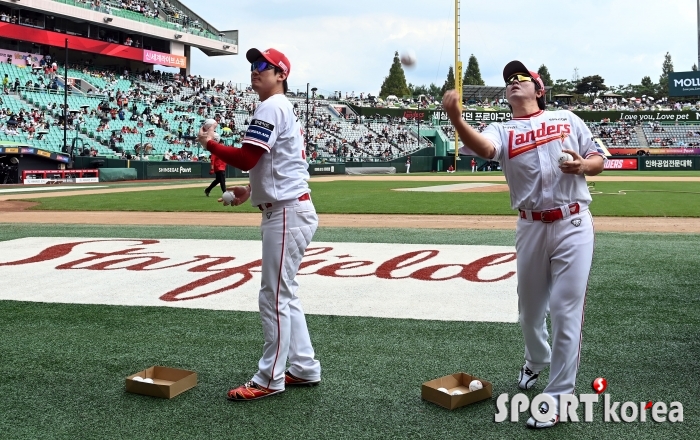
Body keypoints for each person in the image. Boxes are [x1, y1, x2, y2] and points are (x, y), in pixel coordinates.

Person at [442, 60, 605, 429]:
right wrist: (457, 119)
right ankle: (536, 358)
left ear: (539, 89)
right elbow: (484, 149)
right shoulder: (502, 127)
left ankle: (558, 398)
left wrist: (585, 166)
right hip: (531, 227)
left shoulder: (567, 118)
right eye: (509, 81)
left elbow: (598, 158)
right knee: (529, 312)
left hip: (573, 222)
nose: (514, 82)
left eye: (522, 78)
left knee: (565, 311)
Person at [198, 47, 321, 401]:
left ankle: (270, 378)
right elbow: (275, 164)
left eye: (264, 65)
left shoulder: (272, 105)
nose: (255, 70)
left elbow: (249, 156)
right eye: (253, 65)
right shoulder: (282, 108)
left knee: (274, 297)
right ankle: (303, 366)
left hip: (286, 213)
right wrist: (250, 189)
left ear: (281, 74)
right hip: (287, 208)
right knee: (286, 294)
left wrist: (211, 145)